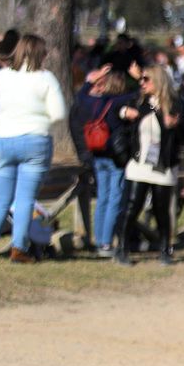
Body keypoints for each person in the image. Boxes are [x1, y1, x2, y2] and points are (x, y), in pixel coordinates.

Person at [0, 33, 66, 264]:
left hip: (2, 138)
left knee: (0, 197)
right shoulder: (46, 77)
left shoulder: (2, 76)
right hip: (35, 139)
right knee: (25, 198)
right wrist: (42, 123)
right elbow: (59, 113)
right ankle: (19, 247)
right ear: (40, 54)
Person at [114, 63, 182, 267]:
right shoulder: (140, 101)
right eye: (141, 80)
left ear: (158, 81)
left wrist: (173, 124)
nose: (142, 83)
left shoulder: (174, 104)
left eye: (146, 80)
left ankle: (164, 249)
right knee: (131, 207)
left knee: (162, 210)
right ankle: (122, 248)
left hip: (163, 165)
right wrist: (124, 112)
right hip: (139, 163)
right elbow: (119, 107)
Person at [73, 66, 138, 255]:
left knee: (102, 198)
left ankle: (99, 238)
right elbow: (138, 92)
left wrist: (92, 80)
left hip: (96, 155)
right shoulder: (117, 102)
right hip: (114, 157)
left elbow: (82, 94)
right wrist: (140, 76)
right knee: (114, 199)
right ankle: (106, 242)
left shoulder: (90, 102)